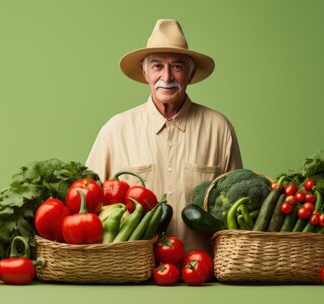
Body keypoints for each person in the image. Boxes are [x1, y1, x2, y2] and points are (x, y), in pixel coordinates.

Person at [85, 19, 243, 252]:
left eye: (177, 67)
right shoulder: (114, 130)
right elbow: (88, 203)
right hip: (133, 271)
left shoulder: (219, 128)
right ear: (145, 72)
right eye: (157, 66)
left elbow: (236, 214)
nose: (167, 76)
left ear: (190, 74)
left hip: (202, 274)